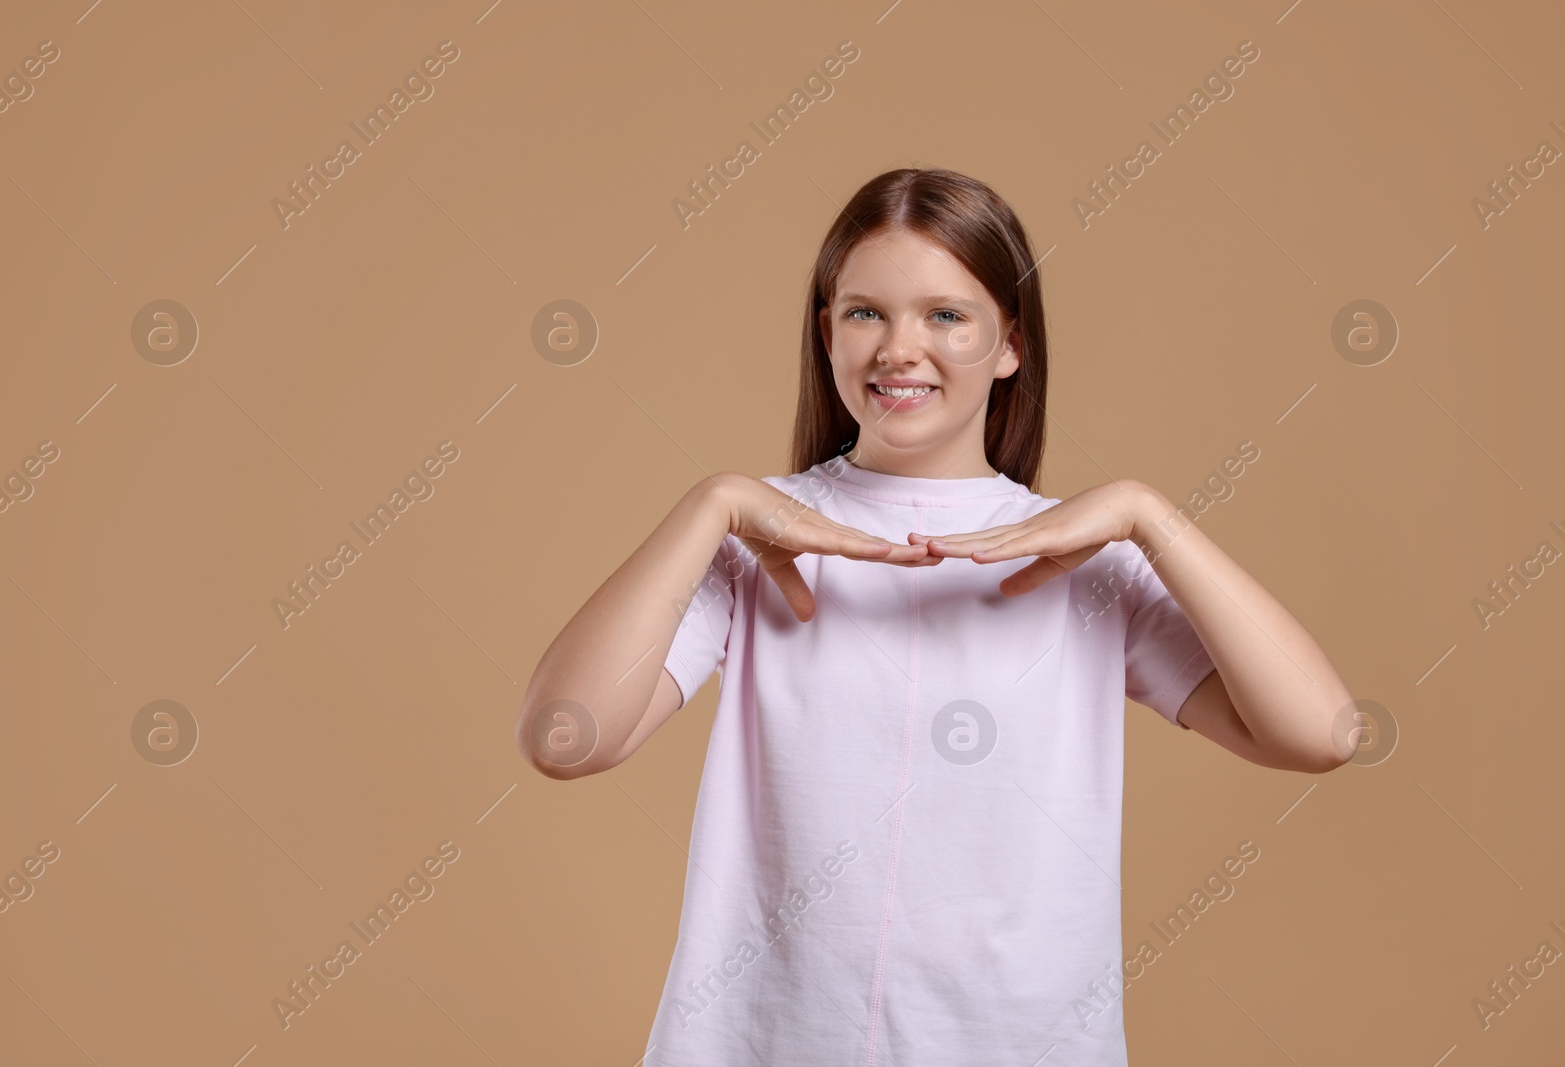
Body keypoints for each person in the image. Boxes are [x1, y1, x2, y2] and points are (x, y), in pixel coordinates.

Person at [517, 167, 1356, 1066]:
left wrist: (1152, 518)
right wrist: (711, 504)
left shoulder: (1086, 554)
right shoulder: (753, 539)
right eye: (866, 313)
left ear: (1010, 346)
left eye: (946, 316)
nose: (898, 350)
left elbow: (1322, 732)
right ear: (827, 333)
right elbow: (566, 739)